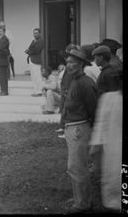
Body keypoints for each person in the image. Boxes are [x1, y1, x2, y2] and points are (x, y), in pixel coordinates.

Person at [61, 48, 98, 214]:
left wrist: (85, 128)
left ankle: (83, 204)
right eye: (68, 62)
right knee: (75, 166)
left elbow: (93, 109)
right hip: (71, 127)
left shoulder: (86, 83)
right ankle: (80, 198)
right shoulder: (74, 80)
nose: (69, 65)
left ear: (81, 64)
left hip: (79, 128)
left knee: (77, 167)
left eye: (73, 62)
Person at [89, 67, 122, 213]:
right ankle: (113, 205)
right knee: (113, 176)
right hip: (113, 146)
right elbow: (100, 124)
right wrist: (96, 145)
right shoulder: (108, 98)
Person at [25, 28, 44, 96]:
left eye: (36, 33)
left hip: (36, 60)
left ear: (39, 33)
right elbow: (29, 48)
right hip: (31, 59)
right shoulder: (34, 41)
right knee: (33, 76)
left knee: (37, 76)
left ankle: (39, 91)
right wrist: (29, 50)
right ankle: (35, 90)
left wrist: (29, 51)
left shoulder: (40, 41)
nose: (35, 34)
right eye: (34, 33)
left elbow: (36, 50)